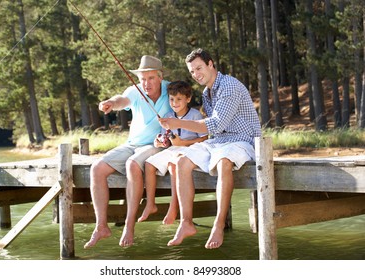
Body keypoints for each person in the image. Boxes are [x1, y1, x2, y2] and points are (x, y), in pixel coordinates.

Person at [159, 48, 262, 249]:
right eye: (192, 72)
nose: (196, 74)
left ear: (210, 64)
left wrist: (176, 123)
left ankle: (219, 224)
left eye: (199, 68)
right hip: (220, 141)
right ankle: (186, 222)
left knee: (223, 162)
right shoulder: (207, 92)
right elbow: (215, 131)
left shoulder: (229, 85)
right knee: (181, 160)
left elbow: (215, 124)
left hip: (244, 140)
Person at [84, 55, 172, 248]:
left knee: (132, 163)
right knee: (97, 168)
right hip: (133, 143)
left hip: (156, 145)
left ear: (160, 76)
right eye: (142, 79)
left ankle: (129, 226)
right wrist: (110, 103)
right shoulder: (135, 90)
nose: (146, 83)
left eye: (150, 78)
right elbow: (121, 100)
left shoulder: (170, 89)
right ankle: (101, 226)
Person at [138, 81, 208, 225]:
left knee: (173, 165)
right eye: (171, 99)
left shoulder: (195, 115)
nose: (174, 103)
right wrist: (160, 141)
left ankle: (173, 207)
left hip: (191, 149)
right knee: (149, 164)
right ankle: (151, 203)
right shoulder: (168, 116)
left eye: (179, 99)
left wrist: (183, 143)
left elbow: (205, 138)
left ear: (188, 99)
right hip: (173, 149)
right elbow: (167, 138)